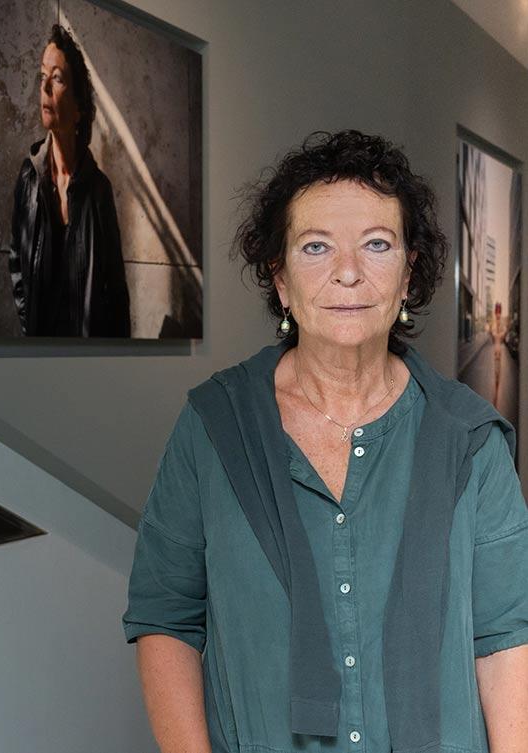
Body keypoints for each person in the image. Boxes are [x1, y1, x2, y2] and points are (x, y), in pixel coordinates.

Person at [123, 130, 528, 752]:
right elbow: (166, 618)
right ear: (280, 278)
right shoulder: (212, 428)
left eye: (377, 244)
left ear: (407, 273)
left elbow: (506, 640)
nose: (348, 272)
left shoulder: (469, 442)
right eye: (316, 247)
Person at [7, 25, 130, 337]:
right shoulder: (29, 176)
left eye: (58, 78)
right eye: (42, 76)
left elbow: (115, 292)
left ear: (78, 108)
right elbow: (16, 263)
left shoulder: (98, 190)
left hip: (87, 360)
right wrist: (28, 324)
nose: (45, 87)